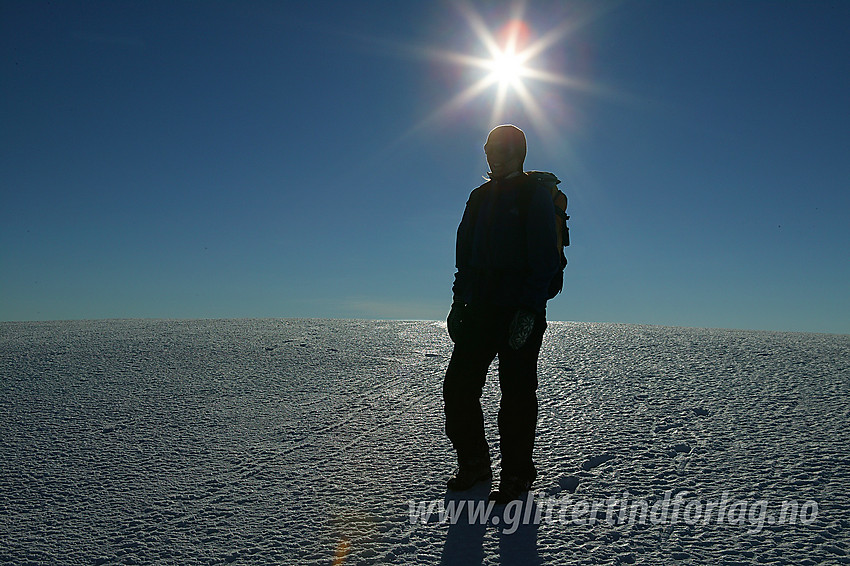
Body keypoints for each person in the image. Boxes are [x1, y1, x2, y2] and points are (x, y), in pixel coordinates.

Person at [444, 124, 562, 503]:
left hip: (517, 311)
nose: (494, 155)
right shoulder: (478, 197)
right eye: (490, 148)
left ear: (519, 153)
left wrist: (528, 310)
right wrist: (459, 301)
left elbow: (543, 259)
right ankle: (475, 463)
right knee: (458, 388)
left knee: (517, 395)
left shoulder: (533, 197)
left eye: (503, 149)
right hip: (479, 309)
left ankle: (516, 476)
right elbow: (465, 257)